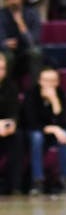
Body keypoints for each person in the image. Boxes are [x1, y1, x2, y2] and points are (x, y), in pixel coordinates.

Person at [24, 67, 66, 194]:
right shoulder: (31, 94)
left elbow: (63, 122)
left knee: (65, 136)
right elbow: (31, 122)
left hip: (53, 132)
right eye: (46, 80)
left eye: (53, 81)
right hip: (35, 131)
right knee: (37, 137)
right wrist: (52, 128)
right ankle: (37, 181)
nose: (49, 84)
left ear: (57, 82)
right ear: (39, 81)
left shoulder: (60, 94)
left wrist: (54, 100)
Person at [0, 0, 43, 82]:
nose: (12, 2)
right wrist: (5, 44)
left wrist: (21, 24)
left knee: (36, 53)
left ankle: (35, 89)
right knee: (7, 57)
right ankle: (5, 88)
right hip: (7, 54)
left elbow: (33, 42)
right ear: (5, 2)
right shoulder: (1, 16)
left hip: (25, 54)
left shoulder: (32, 14)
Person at [0, 53, 23, 194]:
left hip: (5, 129)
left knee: (18, 137)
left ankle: (15, 186)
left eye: (2, 68)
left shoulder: (11, 86)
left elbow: (14, 112)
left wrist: (12, 124)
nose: (0, 72)